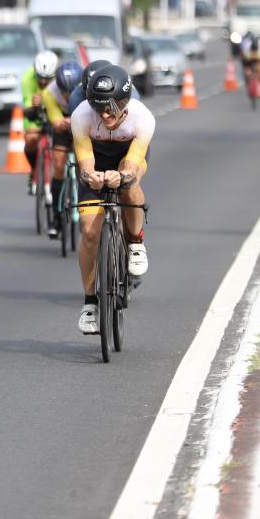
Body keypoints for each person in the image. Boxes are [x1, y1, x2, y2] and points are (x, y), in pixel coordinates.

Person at [71, 63, 155, 335]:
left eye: (111, 107)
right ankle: (90, 303)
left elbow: (132, 163)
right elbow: (84, 162)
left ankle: (135, 242)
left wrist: (122, 175)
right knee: (89, 232)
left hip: (126, 156)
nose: (104, 114)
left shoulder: (143, 118)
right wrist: (90, 175)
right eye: (98, 107)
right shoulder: (81, 115)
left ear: (125, 102)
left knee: (129, 184)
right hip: (96, 158)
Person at [41, 60, 83, 238]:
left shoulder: (86, 90)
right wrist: (62, 122)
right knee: (58, 165)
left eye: (72, 91)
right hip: (62, 127)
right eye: (64, 91)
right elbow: (56, 122)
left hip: (81, 124)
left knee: (84, 163)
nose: (68, 95)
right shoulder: (49, 93)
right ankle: (57, 217)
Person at [21, 50, 60, 193]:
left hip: (55, 109)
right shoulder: (27, 78)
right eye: (39, 77)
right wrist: (34, 106)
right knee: (31, 138)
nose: (43, 82)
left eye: (48, 78)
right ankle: (34, 170)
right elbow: (27, 110)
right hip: (34, 112)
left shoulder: (60, 79)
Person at [239, 30, 260, 96]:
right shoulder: (246, 44)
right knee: (247, 72)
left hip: (259, 56)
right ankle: (248, 84)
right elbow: (244, 57)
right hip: (247, 57)